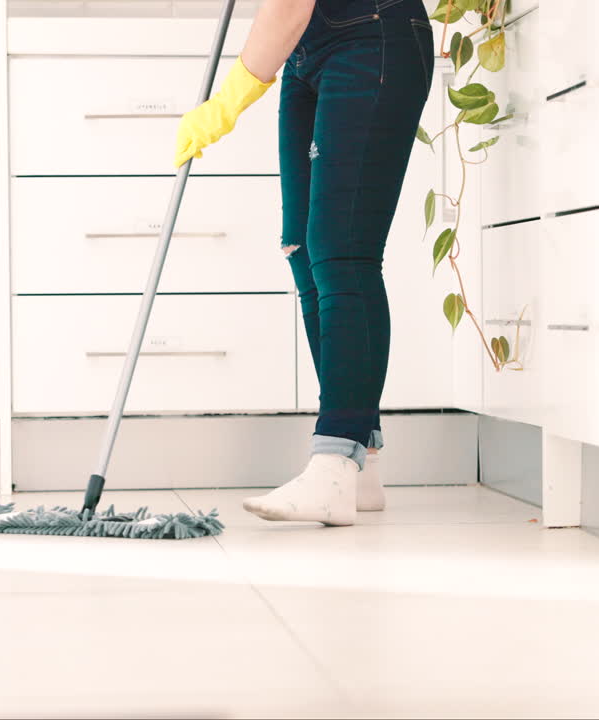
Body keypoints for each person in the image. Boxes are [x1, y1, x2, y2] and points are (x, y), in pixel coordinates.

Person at [175, 0, 434, 526]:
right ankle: (361, 466)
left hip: (372, 36)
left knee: (343, 250)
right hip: (306, 54)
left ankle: (335, 462)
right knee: (305, 248)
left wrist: (227, 102)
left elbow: (288, 4)